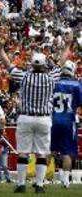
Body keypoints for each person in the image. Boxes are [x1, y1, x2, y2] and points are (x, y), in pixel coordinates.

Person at [0, 35, 72, 193]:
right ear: (45, 64)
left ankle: (21, 184)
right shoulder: (50, 78)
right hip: (44, 118)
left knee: (23, 152)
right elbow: (62, 61)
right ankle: (39, 185)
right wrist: (67, 44)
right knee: (41, 153)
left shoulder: (24, 76)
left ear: (32, 64)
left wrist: (0, 49)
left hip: (25, 117)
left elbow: (8, 65)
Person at [51, 60, 82, 188]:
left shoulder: (53, 83)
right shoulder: (76, 85)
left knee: (49, 150)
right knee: (67, 152)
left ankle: (40, 180)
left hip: (53, 120)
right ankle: (65, 181)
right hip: (69, 121)